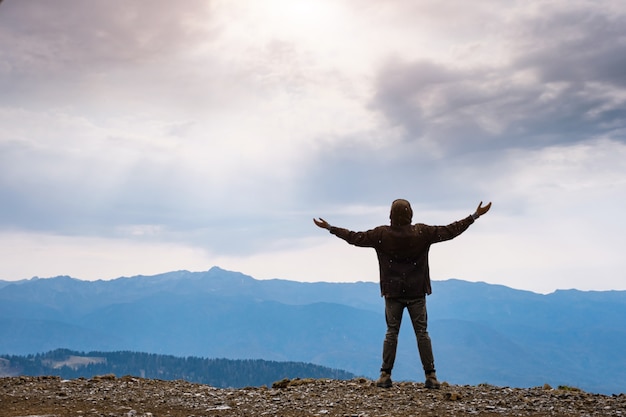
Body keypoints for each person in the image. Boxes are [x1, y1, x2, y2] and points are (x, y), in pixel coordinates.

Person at [313, 199, 491, 389]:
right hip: (417, 292)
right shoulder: (422, 233)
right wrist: (475, 215)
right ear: (410, 214)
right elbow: (450, 231)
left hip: (393, 293)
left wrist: (330, 227)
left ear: (391, 215)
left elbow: (354, 237)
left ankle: (385, 375)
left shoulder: (381, 234)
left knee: (391, 333)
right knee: (422, 333)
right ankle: (431, 376)